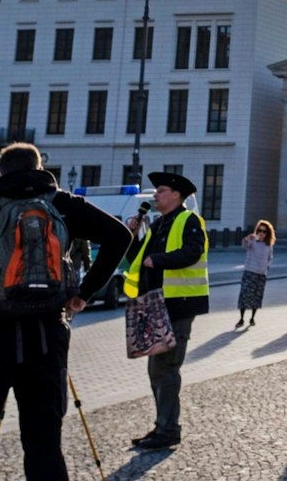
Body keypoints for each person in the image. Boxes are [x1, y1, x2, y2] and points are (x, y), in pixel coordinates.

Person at [0, 142, 131, 481]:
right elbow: (119, 235)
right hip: (47, 332)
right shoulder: (63, 204)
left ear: (0, 173)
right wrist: (84, 293)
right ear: (40, 169)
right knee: (43, 439)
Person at [121, 170, 211, 452]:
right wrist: (133, 235)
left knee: (166, 368)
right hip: (156, 304)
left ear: (176, 194)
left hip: (179, 304)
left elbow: (192, 252)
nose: (155, 195)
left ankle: (169, 429)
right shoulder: (159, 223)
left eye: (160, 190)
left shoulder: (189, 220)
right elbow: (136, 259)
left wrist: (156, 260)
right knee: (156, 369)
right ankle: (163, 425)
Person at [238, 220, 275, 328]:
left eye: (264, 231)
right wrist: (246, 239)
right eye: (259, 230)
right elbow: (244, 246)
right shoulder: (253, 241)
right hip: (249, 272)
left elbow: (270, 258)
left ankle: (252, 318)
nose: (261, 233)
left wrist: (266, 267)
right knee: (244, 296)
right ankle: (241, 318)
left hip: (261, 275)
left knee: (257, 297)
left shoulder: (269, 245)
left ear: (268, 233)